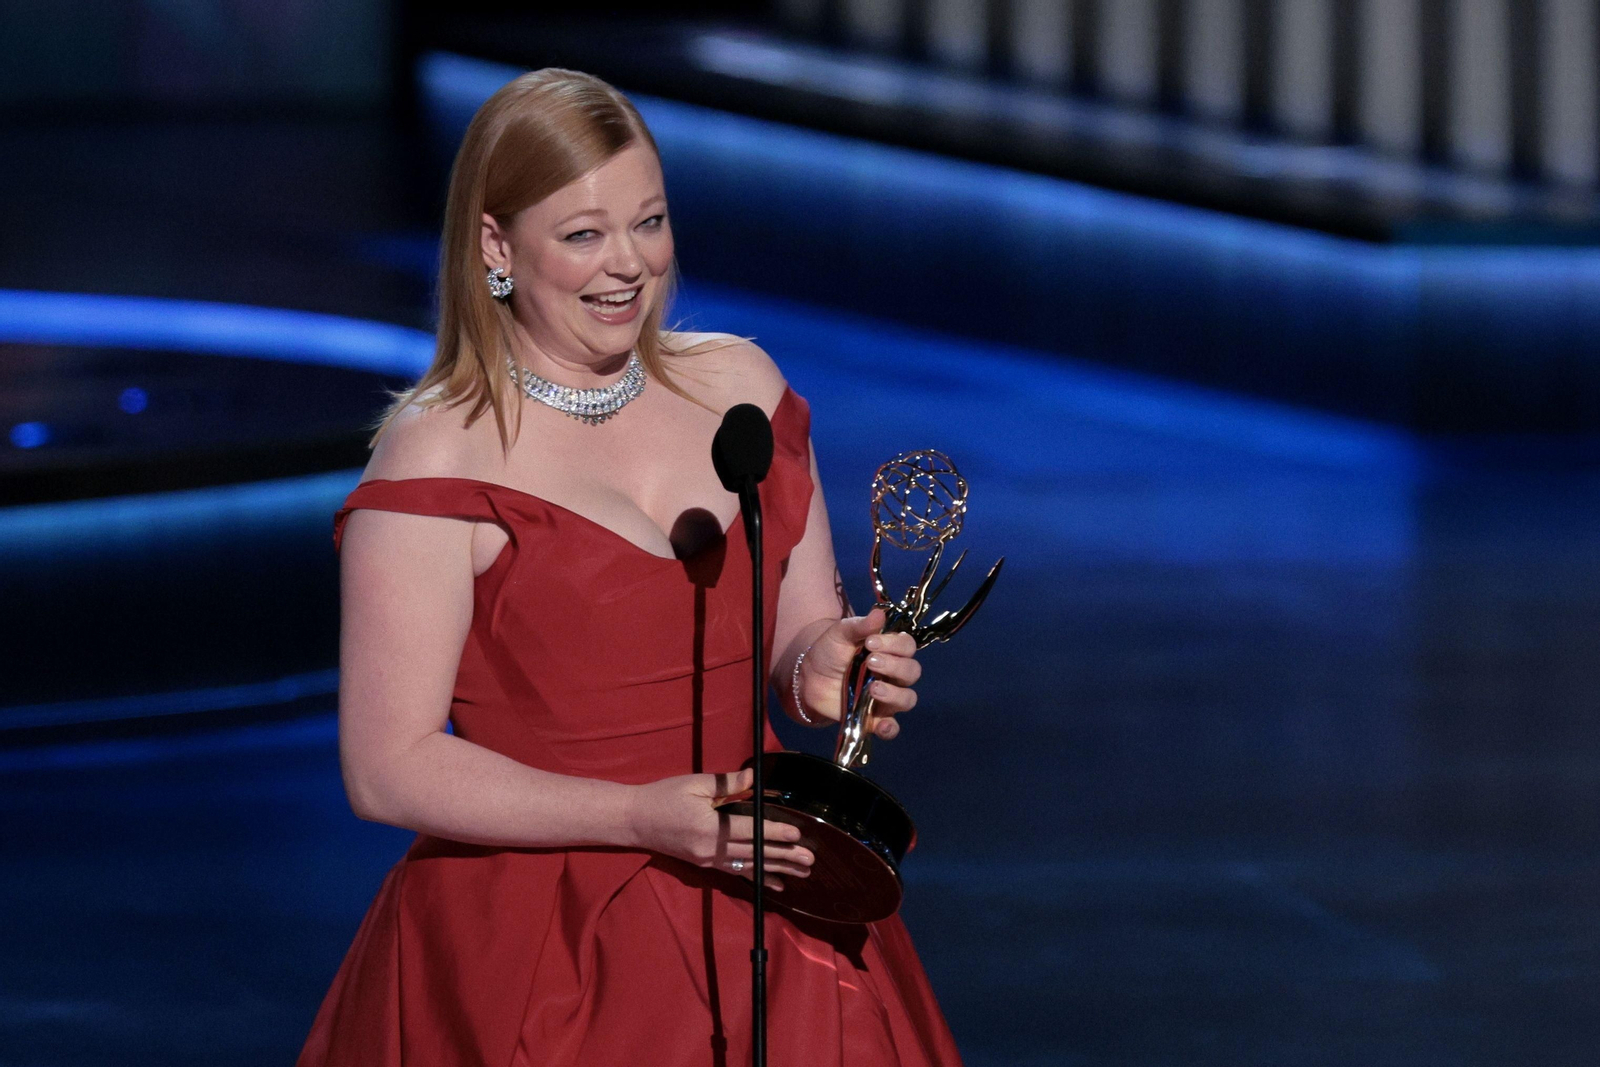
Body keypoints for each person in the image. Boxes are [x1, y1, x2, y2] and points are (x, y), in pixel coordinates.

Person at [296, 67, 963, 1066]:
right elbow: (386, 766)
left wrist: (822, 668)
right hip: (540, 943)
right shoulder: (443, 451)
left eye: (647, 223)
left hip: (763, 905)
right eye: (583, 234)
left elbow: (791, 640)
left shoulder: (742, 389)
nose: (628, 266)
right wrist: (635, 815)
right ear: (495, 247)